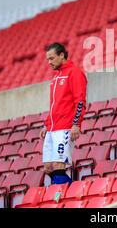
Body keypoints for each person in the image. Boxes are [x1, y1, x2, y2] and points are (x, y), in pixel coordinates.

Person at [40, 42, 87, 185]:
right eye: (47, 59)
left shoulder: (74, 73)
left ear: (62, 55)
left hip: (65, 128)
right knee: (48, 168)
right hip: (52, 129)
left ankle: (70, 195)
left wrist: (76, 124)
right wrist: (47, 124)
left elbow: (80, 101)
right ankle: (69, 190)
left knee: (59, 166)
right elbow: (55, 105)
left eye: (52, 58)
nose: (49, 62)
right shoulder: (55, 77)